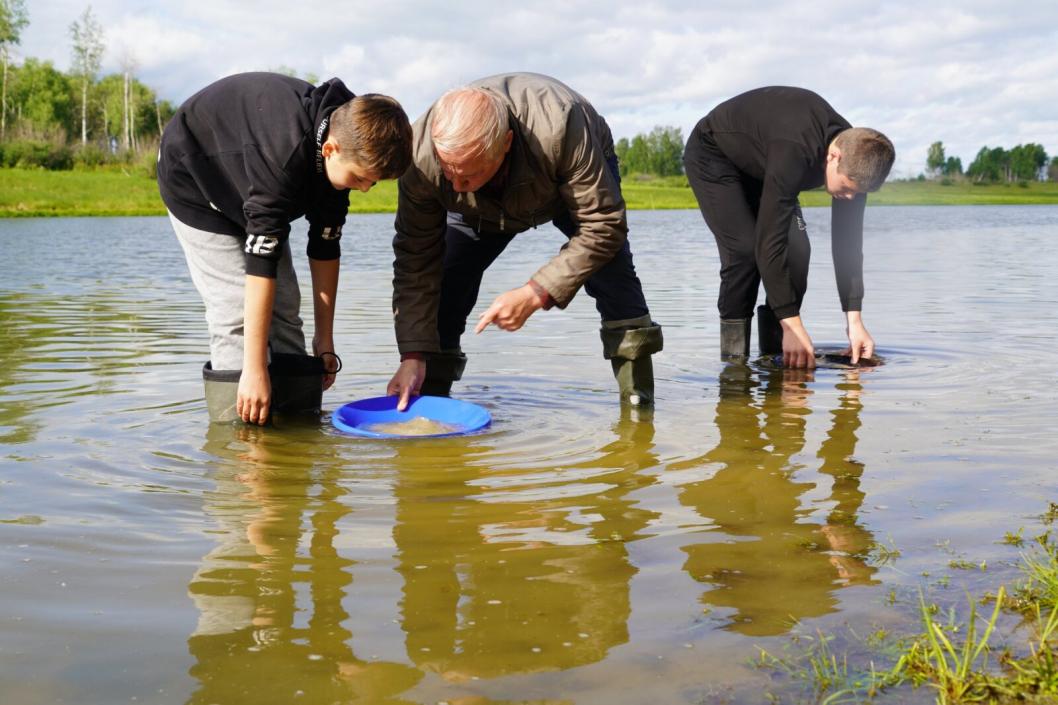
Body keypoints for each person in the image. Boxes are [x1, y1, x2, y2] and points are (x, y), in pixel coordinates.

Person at [386, 72, 662, 410]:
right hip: (478, 211)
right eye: (449, 172)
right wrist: (413, 352)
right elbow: (415, 259)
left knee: (614, 274)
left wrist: (536, 292)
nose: (456, 186)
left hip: (562, 185)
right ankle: (432, 402)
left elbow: (603, 225)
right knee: (445, 280)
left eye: (468, 173)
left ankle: (638, 410)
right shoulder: (420, 159)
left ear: (505, 143)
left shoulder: (563, 125)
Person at [158, 72, 412, 425]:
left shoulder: (352, 137)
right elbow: (261, 260)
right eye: (359, 179)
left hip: (252, 182)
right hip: (196, 180)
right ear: (330, 150)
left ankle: (296, 427)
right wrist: (254, 368)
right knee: (235, 313)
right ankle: (241, 441)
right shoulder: (284, 155)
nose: (365, 189)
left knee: (286, 306)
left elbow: (325, 247)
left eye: (372, 182)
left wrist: (325, 342)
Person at [683, 86, 895, 368]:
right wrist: (793, 324)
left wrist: (854, 321)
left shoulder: (859, 158)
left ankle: (776, 356)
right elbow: (769, 241)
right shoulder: (796, 149)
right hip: (715, 157)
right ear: (834, 156)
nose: (850, 197)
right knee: (745, 253)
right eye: (846, 188)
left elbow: (848, 245)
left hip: (765, 164)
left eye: (857, 193)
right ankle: (734, 367)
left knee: (797, 252)